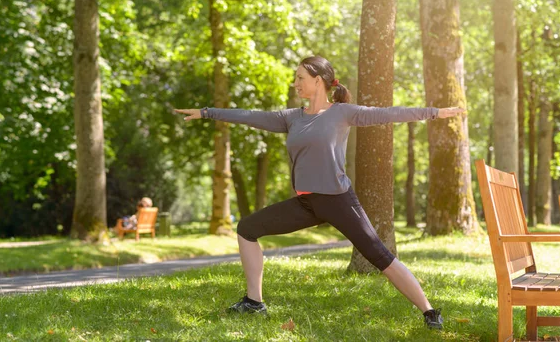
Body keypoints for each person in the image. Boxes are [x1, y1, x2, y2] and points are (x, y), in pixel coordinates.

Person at [175, 56, 465, 329]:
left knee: (380, 256)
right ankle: (254, 302)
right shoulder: (292, 118)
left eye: (300, 77)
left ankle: (429, 311)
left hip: (338, 200)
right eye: (295, 78)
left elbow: (388, 114)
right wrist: (206, 112)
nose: (295, 83)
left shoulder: (341, 113)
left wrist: (435, 113)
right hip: (307, 203)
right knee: (247, 228)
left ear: (319, 80)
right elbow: (250, 115)